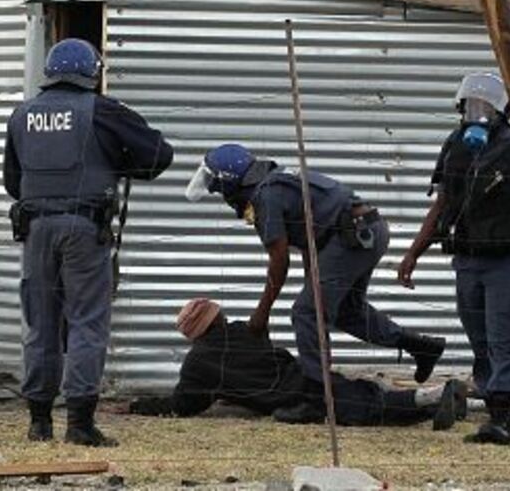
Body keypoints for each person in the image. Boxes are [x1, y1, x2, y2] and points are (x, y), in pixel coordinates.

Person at [3, 37, 174, 446]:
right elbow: (158, 154)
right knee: (86, 322)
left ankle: (39, 422)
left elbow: (12, 181)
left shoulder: (21, 115)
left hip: (35, 229)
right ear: (92, 74)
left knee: (40, 323)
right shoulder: (103, 110)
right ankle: (79, 424)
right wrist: (116, 161)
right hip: (84, 229)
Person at [185, 144, 445, 387]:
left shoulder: (265, 197)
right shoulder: (276, 181)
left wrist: (261, 314)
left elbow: (279, 261)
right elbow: (310, 238)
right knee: (345, 311)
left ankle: (316, 393)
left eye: (218, 189)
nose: (221, 196)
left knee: (306, 313)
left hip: (352, 236)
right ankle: (420, 346)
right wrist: (313, 283)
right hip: (365, 230)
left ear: (229, 183)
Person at [397, 73, 510, 446]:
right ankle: (492, 399)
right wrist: (413, 252)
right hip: (467, 258)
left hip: (509, 258)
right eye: (471, 105)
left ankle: (503, 418)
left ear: (501, 111)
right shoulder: (456, 146)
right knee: (479, 335)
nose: (477, 112)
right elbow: (443, 203)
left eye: (486, 106)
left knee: (504, 336)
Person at [128, 299, 468, 430]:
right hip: (305, 377)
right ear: (216, 320)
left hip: (297, 397)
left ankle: (439, 397)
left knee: (365, 407)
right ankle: (440, 398)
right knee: (363, 397)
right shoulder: (243, 332)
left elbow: (184, 405)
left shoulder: (198, 364)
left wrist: (137, 405)